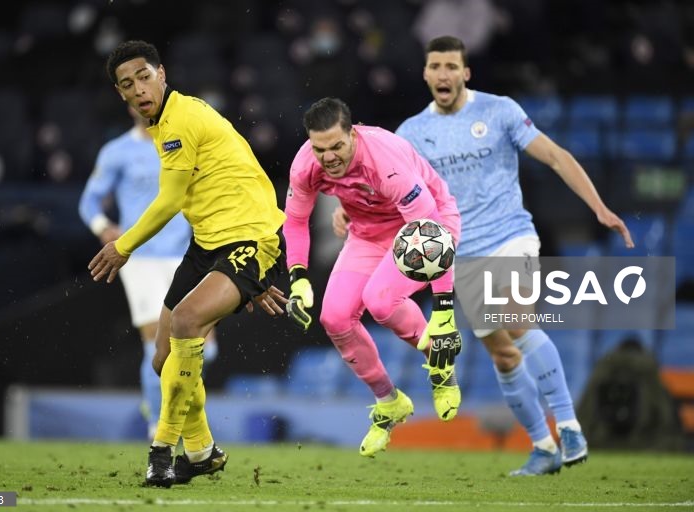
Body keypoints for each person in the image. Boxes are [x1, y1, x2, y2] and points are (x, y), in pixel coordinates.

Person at [334, 36, 634, 475]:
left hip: (510, 237)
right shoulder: (411, 133)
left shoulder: (500, 111)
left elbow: (554, 156)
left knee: (516, 320)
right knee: (503, 355)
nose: (443, 74)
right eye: (435, 66)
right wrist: (348, 211)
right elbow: (381, 188)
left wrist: (599, 207)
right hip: (457, 255)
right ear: (425, 73)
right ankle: (544, 446)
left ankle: (570, 426)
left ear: (465, 72)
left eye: (451, 66)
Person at [89, 40, 288, 488]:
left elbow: (171, 200)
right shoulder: (165, 124)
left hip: (249, 237)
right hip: (208, 244)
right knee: (162, 358)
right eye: (127, 84)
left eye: (144, 76)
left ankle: (162, 450)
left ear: (162, 74)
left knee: (187, 320)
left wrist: (123, 245)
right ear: (120, 94)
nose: (138, 88)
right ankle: (202, 452)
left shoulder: (178, 121)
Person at [284, 97, 462, 458]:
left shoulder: (385, 162)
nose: (329, 156)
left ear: (353, 134)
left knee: (381, 300)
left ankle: (441, 361)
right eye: (321, 149)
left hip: (427, 228)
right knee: (333, 317)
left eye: (337, 146)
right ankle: (388, 401)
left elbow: (431, 233)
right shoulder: (305, 165)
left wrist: (444, 312)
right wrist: (298, 275)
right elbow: (296, 221)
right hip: (367, 233)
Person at [78, 106, 218, 441]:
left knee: (205, 349)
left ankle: (167, 401)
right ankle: (158, 421)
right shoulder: (117, 152)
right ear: (126, 103)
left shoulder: (183, 144)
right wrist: (103, 228)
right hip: (141, 259)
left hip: (185, 257)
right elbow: (89, 201)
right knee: (158, 345)